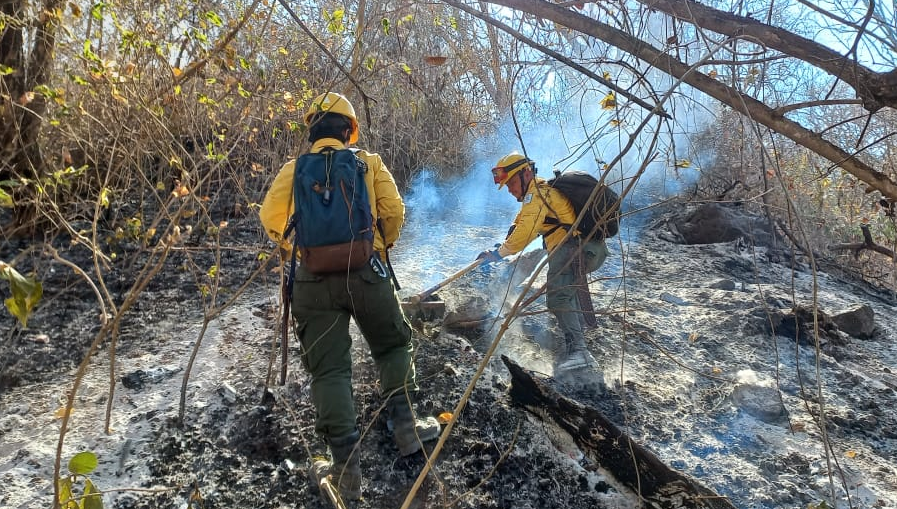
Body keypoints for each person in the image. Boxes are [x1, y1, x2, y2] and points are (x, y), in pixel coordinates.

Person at [259, 92, 440, 501]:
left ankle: (345, 474)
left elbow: (270, 219)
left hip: (312, 281)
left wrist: (302, 252)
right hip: (366, 273)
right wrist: (376, 245)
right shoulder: (368, 163)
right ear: (349, 130)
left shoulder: (294, 170)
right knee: (393, 343)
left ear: (313, 132)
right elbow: (395, 211)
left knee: (330, 371)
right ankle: (408, 429)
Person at [478, 152, 609, 373]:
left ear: (526, 173)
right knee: (567, 295)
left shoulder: (537, 195)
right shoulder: (537, 194)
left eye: (511, 182)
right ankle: (577, 351)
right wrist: (498, 247)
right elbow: (519, 225)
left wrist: (498, 255)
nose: (509, 189)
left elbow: (525, 234)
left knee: (558, 297)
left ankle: (580, 353)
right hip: (581, 248)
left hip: (573, 250)